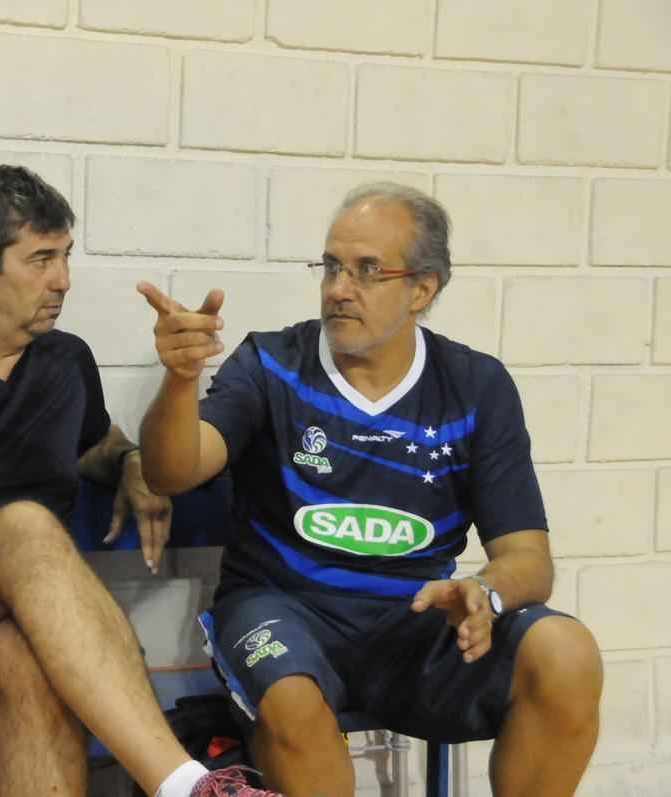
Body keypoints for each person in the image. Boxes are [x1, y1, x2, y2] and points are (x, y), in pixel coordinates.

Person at [137, 182, 603, 797]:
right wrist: (180, 379)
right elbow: (172, 471)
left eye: (366, 270)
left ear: (422, 290)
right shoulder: (270, 363)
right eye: (331, 266)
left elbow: (529, 559)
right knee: (291, 698)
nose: (338, 287)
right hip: (282, 607)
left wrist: (486, 593)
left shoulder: (476, 386)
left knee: (567, 653)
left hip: (414, 621)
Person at [0, 164, 284, 797]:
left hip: (24, 623)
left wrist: (128, 461)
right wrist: (31, 555)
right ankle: (186, 784)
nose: (63, 281)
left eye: (66, 256)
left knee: (23, 654)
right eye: (41, 260)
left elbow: (94, 443)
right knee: (27, 529)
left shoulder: (65, 359)